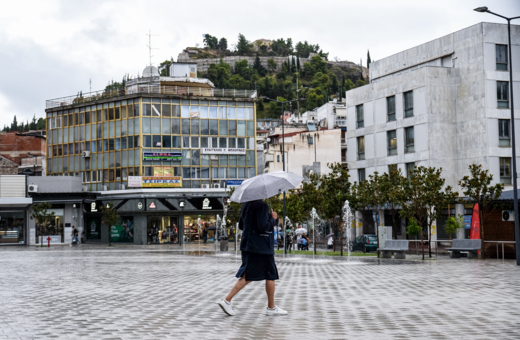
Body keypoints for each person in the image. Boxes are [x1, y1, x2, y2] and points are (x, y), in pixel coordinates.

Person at [218, 199, 287, 316]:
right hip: (261, 247)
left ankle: (227, 300)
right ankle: (270, 308)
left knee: (248, 276)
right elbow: (263, 226)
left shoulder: (246, 204)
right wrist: (273, 218)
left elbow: (241, 225)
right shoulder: (262, 205)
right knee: (270, 274)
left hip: (248, 245)